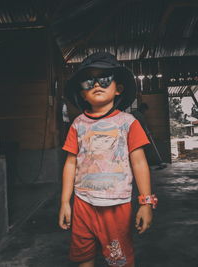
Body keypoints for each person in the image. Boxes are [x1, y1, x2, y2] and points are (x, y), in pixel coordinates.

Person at [59, 52, 158, 267]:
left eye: (104, 79)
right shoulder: (77, 124)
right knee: (83, 257)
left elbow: (139, 162)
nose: (97, 84)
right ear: (82, 93)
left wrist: (146, 202)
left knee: (119, 260)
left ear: (118, 88)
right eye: (88, 80)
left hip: (117, 206)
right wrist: (65, 202)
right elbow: (70, 163)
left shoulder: (128, 122)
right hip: (83, 204)